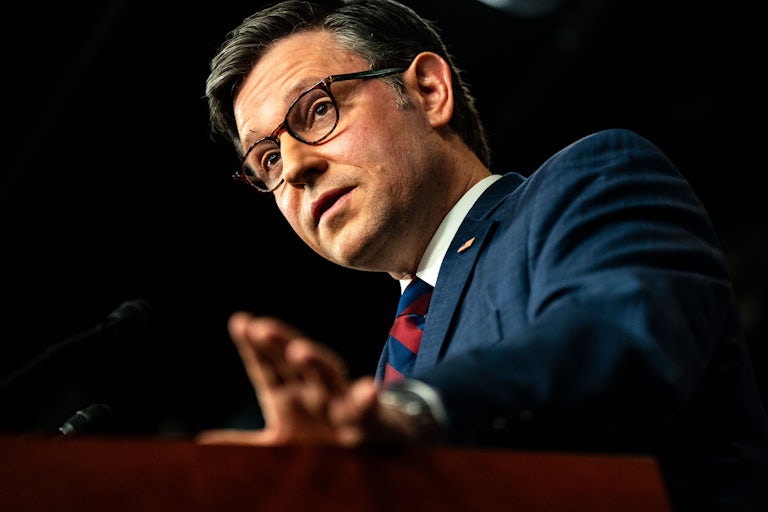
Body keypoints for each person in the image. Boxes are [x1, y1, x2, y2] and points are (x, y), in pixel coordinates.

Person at [199, 0, 768, 509]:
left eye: (318, 110)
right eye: (268, 159)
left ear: (428, 91)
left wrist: (417, 411)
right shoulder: (389, 368)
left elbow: (617, 334)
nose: (295, 168)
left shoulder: (591, 180)